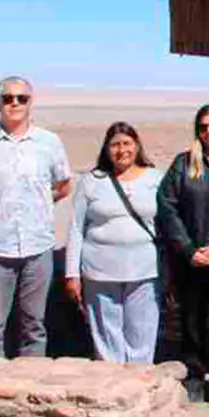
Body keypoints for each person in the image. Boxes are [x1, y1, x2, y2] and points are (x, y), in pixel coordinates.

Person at [0, 76, 72, 357]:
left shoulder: (49, 142)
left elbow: (64, 185)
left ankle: (31, 377)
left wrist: (39, 206)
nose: (15, 103)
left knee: (35, 324)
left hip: (38, 246)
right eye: (8, 98)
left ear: (31, 102)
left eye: (21, 98)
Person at [155, 103, 209, 405]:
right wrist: (188, 249)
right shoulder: (183, 164)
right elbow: (167, 206)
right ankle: (194, 378)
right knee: (192, 322)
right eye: (203, 127)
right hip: (191, 261)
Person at [65, 123, 163, 363]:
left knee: (142, 331)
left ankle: (139, 380)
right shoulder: (91, 181)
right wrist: (72, 274)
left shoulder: (155, 178)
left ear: (137, 146)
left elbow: (166, 223)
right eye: (115, 145)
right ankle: (112, 382)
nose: (122, 150)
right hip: (99, 271)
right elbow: (76, 228)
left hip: (145, 270)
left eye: (127, 143)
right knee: (107, 335)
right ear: (106, 149)